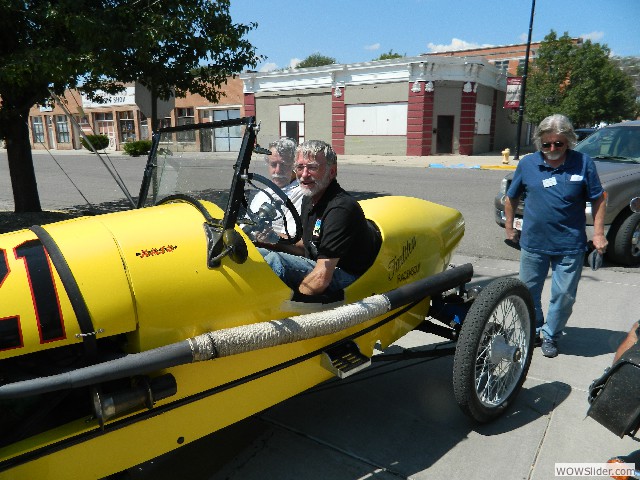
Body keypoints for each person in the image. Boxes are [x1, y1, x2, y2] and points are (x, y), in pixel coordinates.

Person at [505, 114, 607, 358]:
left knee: (563, 296)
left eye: (558, 144)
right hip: (533, 243)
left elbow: (599, 198)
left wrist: (599, 233)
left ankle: (551, 335)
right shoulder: (528, 164)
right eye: (546, 144)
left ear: (569, 141)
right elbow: (511, 197)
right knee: (528, 293)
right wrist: (509, 227)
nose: (552, 149)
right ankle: (535, 327)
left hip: (570, 244)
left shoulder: (583, 163)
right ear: (539, 142)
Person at [258, 140, 379, 298]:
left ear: (332, 172)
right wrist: (274, 240)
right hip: (322, 264)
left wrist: (294, 309)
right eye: (300, 167)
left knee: (275, 261)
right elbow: (306, 245)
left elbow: (321, 278)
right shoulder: (310, 198)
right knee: (258, 253)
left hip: (348, 276)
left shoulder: (340, 209)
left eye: (313, 167)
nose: (304, 174)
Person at [249, 137, 303, 237]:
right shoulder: (262, 194)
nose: (277, 171)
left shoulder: (301, 193)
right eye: (273, 164)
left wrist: (269, 237)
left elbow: (291, 238)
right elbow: (245, 225)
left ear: (294, 165)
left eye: (283, 165)